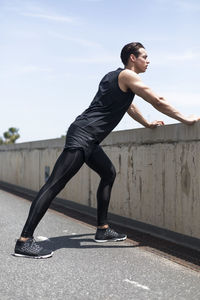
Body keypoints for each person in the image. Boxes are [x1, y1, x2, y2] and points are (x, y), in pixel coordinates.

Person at [14, 42, 200, 259]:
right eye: (145, 57)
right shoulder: (129, 77)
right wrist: (186, 118)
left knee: (108, 173)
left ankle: (102, 230)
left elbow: (129, 107)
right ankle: (24, 241)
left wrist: (147, 124)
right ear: (132, 58)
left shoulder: (113, 77)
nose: (148, 61)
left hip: (89, 138)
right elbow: (157, 100)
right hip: (84, 135)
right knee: (55, 184)